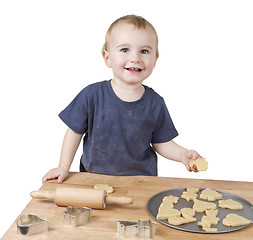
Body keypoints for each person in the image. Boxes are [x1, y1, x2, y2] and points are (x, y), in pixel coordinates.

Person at [42, 14, 202, 183]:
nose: (135, 58)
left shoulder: (155, 103)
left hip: (141, 182)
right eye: (125, 50)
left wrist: (183, 154)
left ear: (155, 60)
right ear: (107, 57)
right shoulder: (91, 95)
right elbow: (74, 132)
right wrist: (63, 167)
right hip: (93, 180)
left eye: (144, 51)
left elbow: (161, 143)